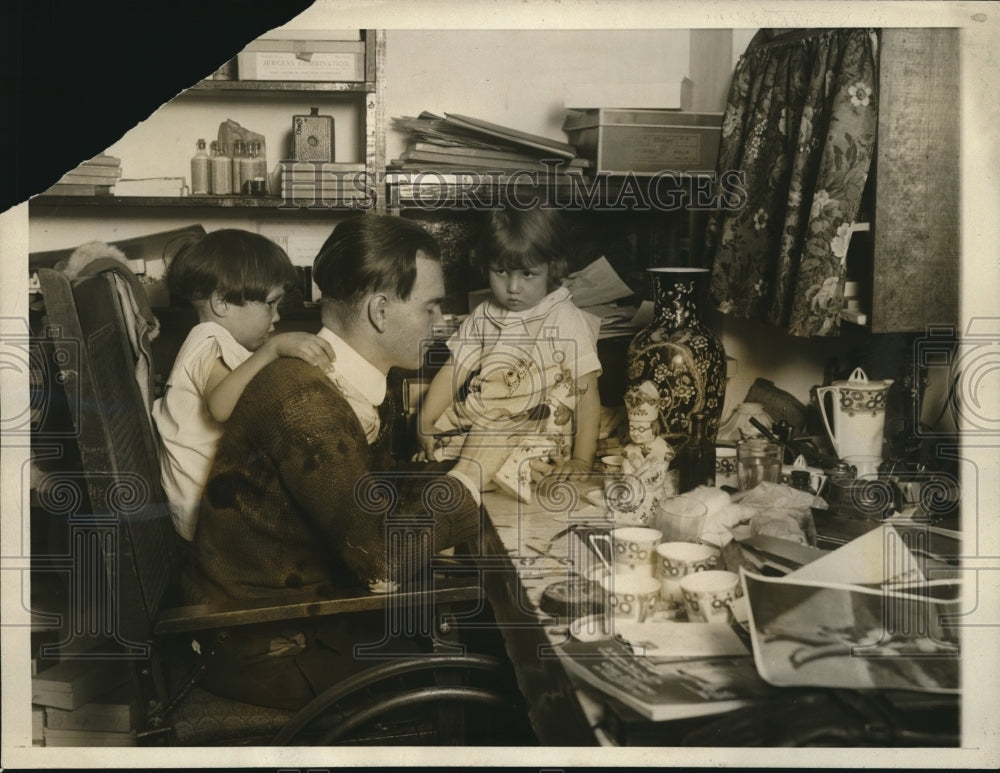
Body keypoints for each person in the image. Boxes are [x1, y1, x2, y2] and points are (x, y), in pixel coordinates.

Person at [180, 215, 492, 710]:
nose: (441, 323)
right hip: (272, 647)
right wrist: (473, 473)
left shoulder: (343, 381)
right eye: (432, 307)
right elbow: (381, 558)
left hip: (306, 616)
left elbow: (373, 484)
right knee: (491, 677)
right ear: (381, 311)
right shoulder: (303, 397)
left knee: (485, 627)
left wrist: (462, 469)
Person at [152, 229, 335, 541]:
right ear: (222, 302)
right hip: (207, 513)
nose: (276, 317)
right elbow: (220, 407)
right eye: (270, 304)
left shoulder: (215, 341)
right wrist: (271, 350)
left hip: (210, 501)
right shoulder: (207, 341)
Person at [417, 208, 602, 499]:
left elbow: (587, 394)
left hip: (536, 429)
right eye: (500, 271)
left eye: (528, 274)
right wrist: (425, 422)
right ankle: (475, 475)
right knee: (436, 454)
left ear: (552, 268)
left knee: (536, 463)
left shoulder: (565, 318)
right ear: (486, 265)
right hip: (482, 424)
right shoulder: (484, 315)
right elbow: (454, 370)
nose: (513, 288)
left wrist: (582, 459)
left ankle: (495, 475)